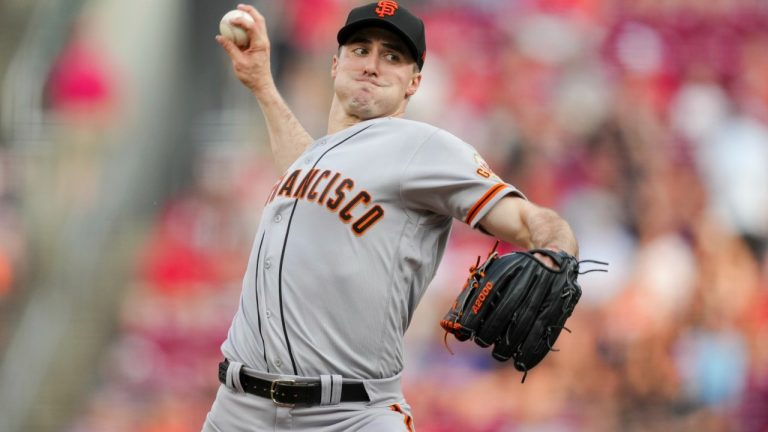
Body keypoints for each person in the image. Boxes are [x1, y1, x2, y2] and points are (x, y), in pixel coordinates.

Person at [205, 2, 578, 431]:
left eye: (393, 56)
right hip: (238, 410)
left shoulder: (423, 147)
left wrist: (558, 248)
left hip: (349, 415)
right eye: (360, 50)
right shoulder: (318, 158)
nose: (372, 65)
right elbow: (307, 173)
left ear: (414, 82)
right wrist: (262, 86)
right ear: (335, 63)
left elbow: (529, 219)